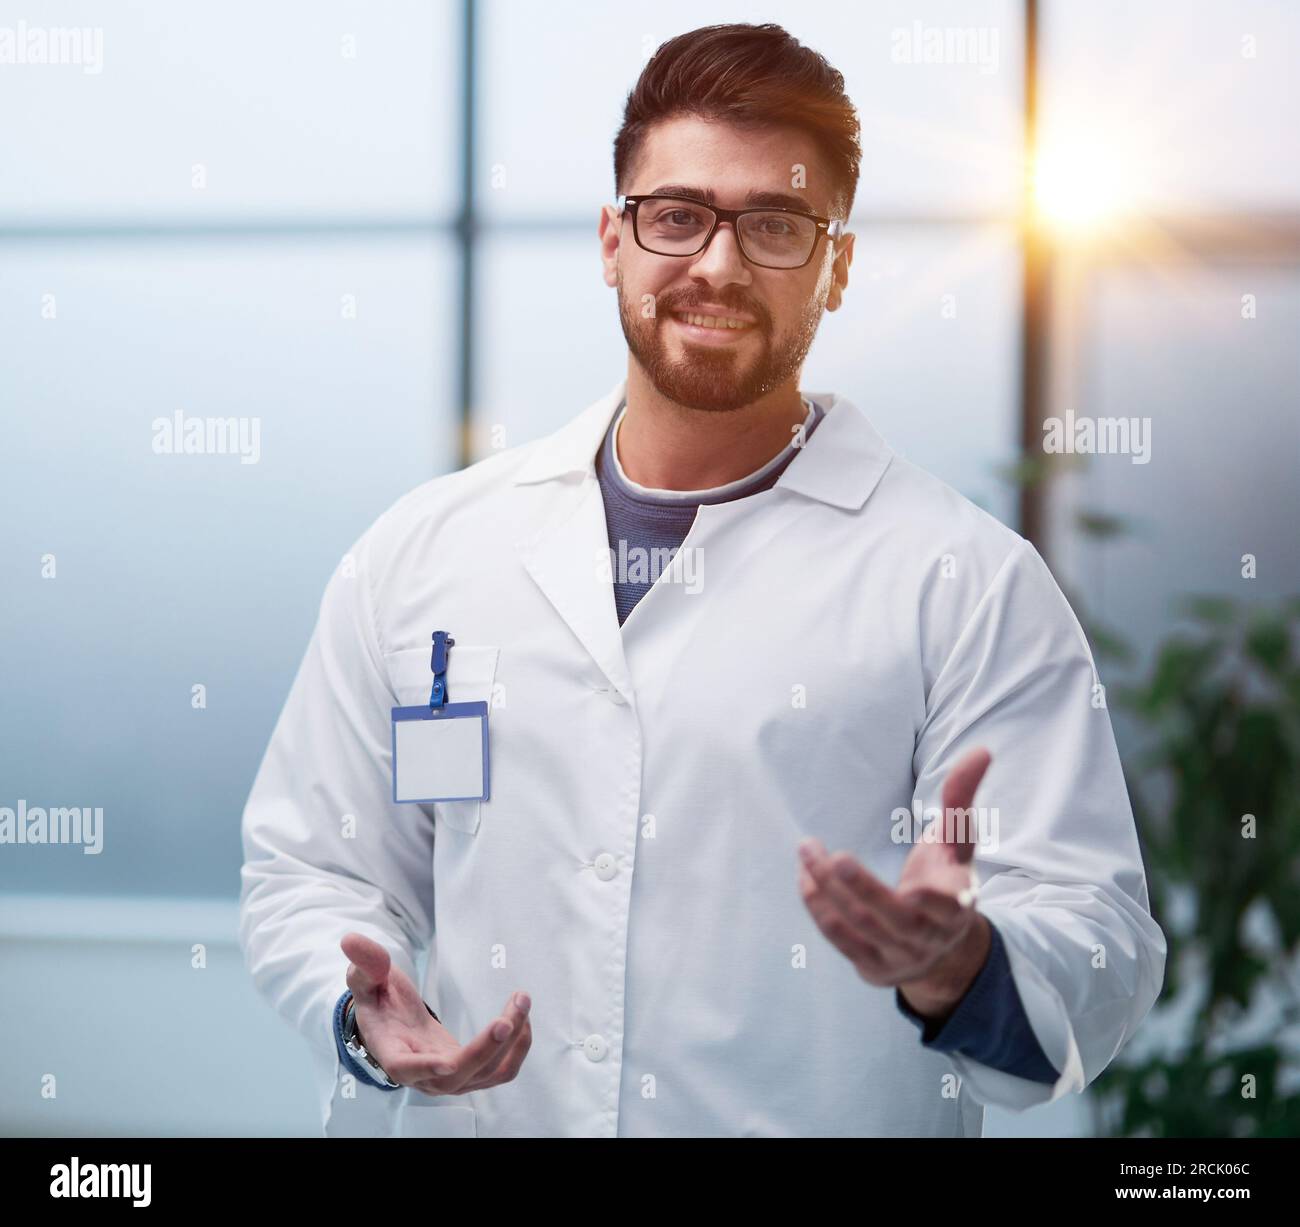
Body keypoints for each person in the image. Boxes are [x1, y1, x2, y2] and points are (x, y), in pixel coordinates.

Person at [239, 22, 1165, 1138]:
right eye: (675, 216)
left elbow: (1095, 929)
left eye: (774, 226)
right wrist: (359, 1014)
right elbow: (309, 863)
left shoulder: (966, 581)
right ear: (611, 240)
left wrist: (960, 965)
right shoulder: (425, 550)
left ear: (837, 267)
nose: (716, 265)